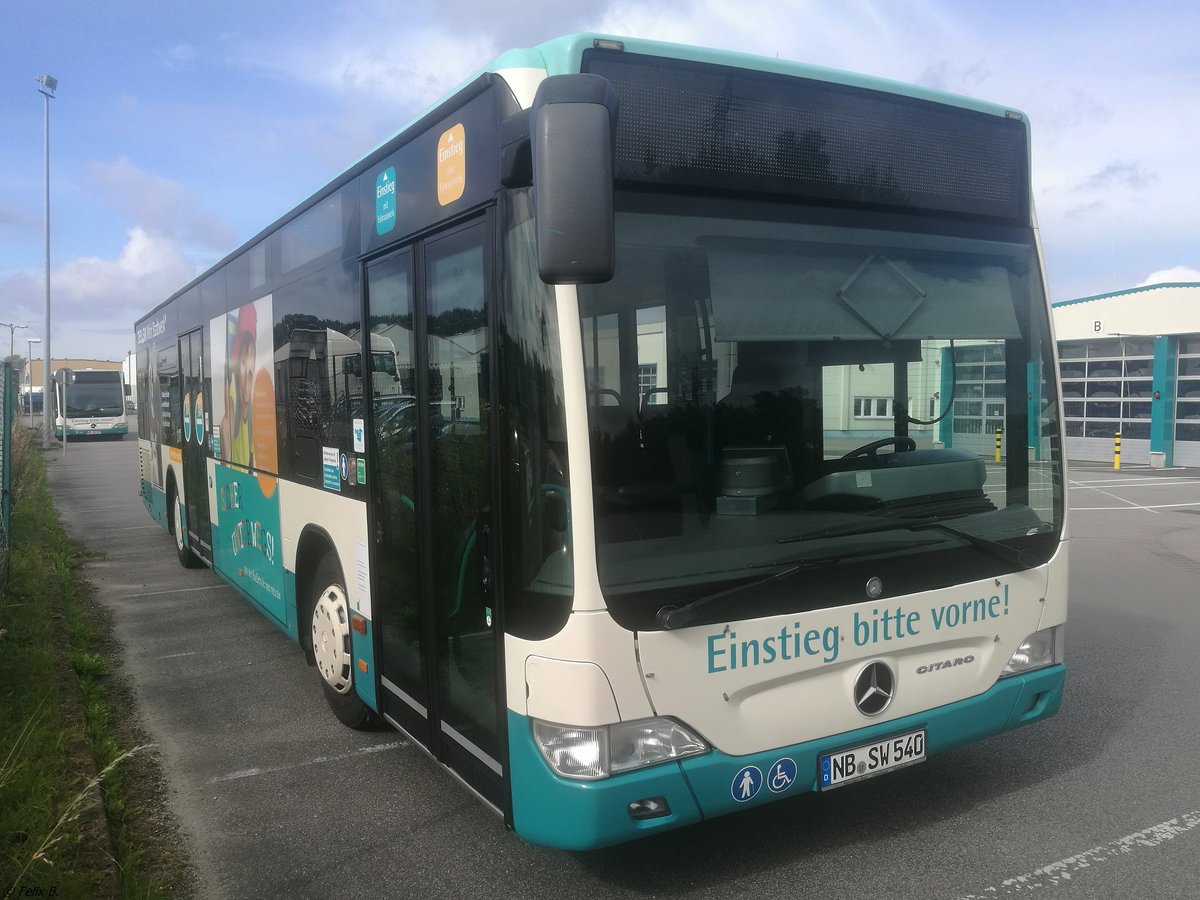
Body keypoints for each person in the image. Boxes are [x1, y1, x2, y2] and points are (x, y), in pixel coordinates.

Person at [222, 303, 257, 467]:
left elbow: (252, 458)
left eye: (251, 369)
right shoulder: (234, 397)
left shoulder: (252, 411)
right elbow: (226, 424)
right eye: (243, 363)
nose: (249, 373)